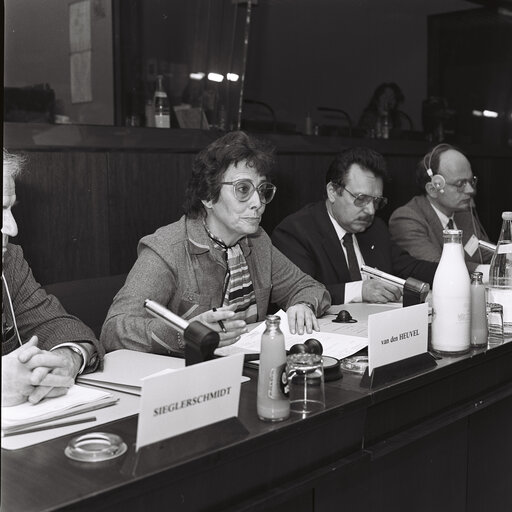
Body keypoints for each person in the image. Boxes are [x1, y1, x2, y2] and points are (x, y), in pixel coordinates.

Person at [101, 131, 330, 354]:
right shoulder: (167, 249)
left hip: (246, 370)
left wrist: (303, 305)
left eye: (263, 190)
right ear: (208, 196)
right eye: (243, 189)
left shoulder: (257, 241)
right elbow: (113, 330)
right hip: (185, 380)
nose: (258, 202)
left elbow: (309, 287)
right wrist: (188, 332)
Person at [272, 147, 437, 305]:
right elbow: (298, 292)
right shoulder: (295, 232)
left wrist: (455, 271)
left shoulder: (375, 228)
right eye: (361, 199)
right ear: (333, 192)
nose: (371, 210)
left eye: (376, 201)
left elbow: (410, 268)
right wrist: (359, 290)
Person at [2, 150, 103, 407]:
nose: (13, 228)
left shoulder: (9, 261)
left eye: (10, 208)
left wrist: (66, 359)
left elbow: (61, 326)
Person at [388, 144, 491, 273]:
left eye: (472, 181)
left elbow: (487, 255)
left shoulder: (464, 214)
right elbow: (437, 268)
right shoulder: (406, 219)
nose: (470, 190)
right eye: (460, 184)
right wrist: (486, 271)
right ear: (433, 189)